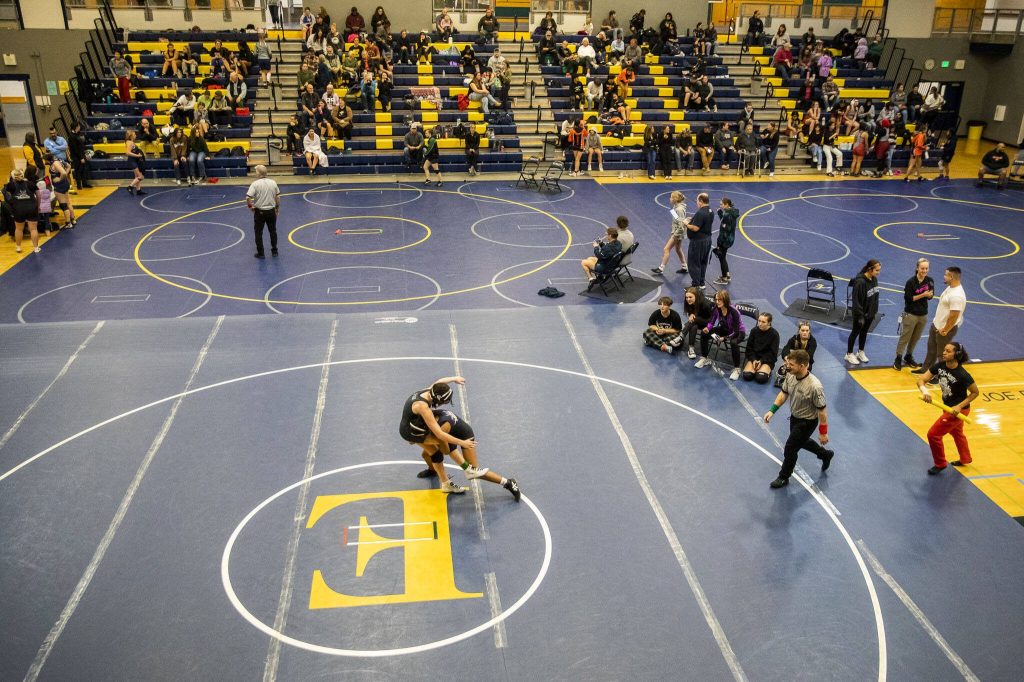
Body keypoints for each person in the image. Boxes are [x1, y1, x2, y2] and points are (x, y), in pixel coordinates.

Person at [401, 377, 520, 500]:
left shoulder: (438, 421)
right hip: (445, 433)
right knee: (431, 453)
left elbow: (447, 449)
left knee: (473, 471)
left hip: (464, 435)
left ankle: (508, 482)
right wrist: (453, 379)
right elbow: (438, 383)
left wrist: (463, 448)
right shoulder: (425, 404)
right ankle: (440, 477)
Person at [763, 349, 833, 488]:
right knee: (802, 442)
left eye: (791, 364)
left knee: (790, 449)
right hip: (795, 417)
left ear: (802, 366)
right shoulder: (790, 375)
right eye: (788, 363)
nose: (787, 366)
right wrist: (772, 410)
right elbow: (784, 394)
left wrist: (823, 432)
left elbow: (822, 411)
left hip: (807, 422)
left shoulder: (815, 386)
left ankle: (784, 476)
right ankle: (825, 454)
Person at [918, 343, 978, 475]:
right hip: (947, 408)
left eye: (948, 351)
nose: (944, 353)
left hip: (958, 411)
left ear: (956, 355)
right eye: (944, 350)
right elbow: (921, 380)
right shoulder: (939, 366)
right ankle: (965, 458)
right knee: (956, 433)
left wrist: (959, 406)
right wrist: (925, 391)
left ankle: (940, 464)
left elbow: (975, 392)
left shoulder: (963, 374)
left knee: (933, 435)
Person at [914, 266, 966, 374]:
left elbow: (954, 315)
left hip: (944, 329)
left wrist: (945, 329)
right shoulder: (951, 287)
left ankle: (939, 375)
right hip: (937, 325)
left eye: (946, 275)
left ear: (951, 277)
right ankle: (926, 369)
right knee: (931, 349)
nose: (944, 276)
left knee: (942, 354)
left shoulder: (957, 295)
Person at [695, 289, 746, 380]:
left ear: (725, 300)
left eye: (720, 300)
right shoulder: (716, 308)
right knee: (704, 333)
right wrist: (708, 328)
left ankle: (737, 369)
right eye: (716, 300)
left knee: (734, 342)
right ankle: (704, 358)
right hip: (724, 329)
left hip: (738, 332)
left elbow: (736, 332)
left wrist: (724, 338)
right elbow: (712, 321)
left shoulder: (734, 312)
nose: (717, 302)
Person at [894, 258, 934, 370]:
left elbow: (931, 295)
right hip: (911, 314)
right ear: (917, 268)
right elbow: (909, 299)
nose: (924, 270)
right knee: (905, 337)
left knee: (916, 337)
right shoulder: (910, 282)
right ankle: (898, 357)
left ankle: (908, 356)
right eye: (922, 268)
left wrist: (929, 295)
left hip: (923, 315)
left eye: (926, 268)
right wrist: (923, 295)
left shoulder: (930, 281)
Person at [845, 259, 881, 365]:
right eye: (877, 270)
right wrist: (860, 316)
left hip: (870, 313)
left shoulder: (874, 279)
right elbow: (856, 301)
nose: (878, 272)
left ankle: (860, 351)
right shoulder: (860, 282)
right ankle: (849, 354)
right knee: (855, 332)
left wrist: (874, 311)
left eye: (879, 270)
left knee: (864, 333)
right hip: (860, 314)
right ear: (870, 269)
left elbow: (875, 296)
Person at [246, 165, 281, 260]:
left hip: (260, 212)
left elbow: (248, 197)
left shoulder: (255, 184)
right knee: (273, 231)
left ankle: (261, 253)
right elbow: (277, 197)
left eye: (256, 171)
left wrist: (250, 207)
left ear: (258, 173)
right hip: (271, 211)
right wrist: (277, 208)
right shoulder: (273, 182)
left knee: (258, 232)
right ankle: (274, 251)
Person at [3, 168, 40, 254]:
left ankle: (18, 247)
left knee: (19, 229)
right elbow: (39, 195)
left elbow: (7, 196)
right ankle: (36, 248)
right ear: (23, 175)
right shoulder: (31, 183)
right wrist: (38, 206)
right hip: (31, 207)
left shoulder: (10, 185)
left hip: (18, 209)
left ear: (12, 176)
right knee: (33, 229)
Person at [651, 190, 687, 275]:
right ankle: (685, 267)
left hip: (678, 233)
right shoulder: (676, 207)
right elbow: (677, 221)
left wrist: (675, 235)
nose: (669, 199)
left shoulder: (679, 209)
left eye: (671, 197)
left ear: (675, 199)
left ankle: (661, 268)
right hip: (677, 232)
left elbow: (681, 225)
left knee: (666, 249)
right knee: (678, 249)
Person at [686, 192, 715, 289]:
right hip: (707, 240)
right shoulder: (710, 211)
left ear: (701, 201)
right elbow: (703, 223)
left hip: (698, 242)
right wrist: (693, 219)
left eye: (697, 201)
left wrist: (686, 223)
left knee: (694, 263)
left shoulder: (700, 212)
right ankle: (702, 283)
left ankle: (695, 284)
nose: (697, 203)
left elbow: (695, 228)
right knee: (703, 262)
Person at [742, 313, 780, 384]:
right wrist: (753, 360)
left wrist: (762, 361)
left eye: (763, 322)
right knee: (747, 376)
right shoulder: (754, 331)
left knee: (761, 378)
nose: (760, 324)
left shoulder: (774, 334)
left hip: (767, 359)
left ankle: (765, 370)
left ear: (769, 323)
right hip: (755, 357)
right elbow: (749, 348)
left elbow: (773, 353)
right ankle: (756, 369)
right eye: (759, 321)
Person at [680, 286, 713, 359]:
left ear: (696, 296)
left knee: (693, 321)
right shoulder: (689, 302)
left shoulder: (706, 304)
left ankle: (681, 336)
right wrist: (691, 314)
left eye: (690, 297)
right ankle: (691, 349)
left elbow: (711, 320)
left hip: (707, 322)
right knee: (693, 326)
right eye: (687, 297)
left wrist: (695, 317)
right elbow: (691, 313)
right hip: (696, 322)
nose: (688, 299)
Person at [47, 153, 76, 228]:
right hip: (65, 183)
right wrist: (65, 175)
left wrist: (60, 179)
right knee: (68, 202)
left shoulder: (55, 164)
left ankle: (68, 222)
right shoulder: (59, 160)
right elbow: (69, 166)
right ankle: (73, 219)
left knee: (63, 205)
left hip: (59, 185)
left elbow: (62, 173)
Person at [713, 197, 738, 285]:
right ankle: (727, 275)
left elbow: (726, 229)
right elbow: (725, 223)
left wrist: (720, 242)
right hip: (729, 239)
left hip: (725, 240)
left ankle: (724, 278)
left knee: (722, 258)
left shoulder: (728, 214)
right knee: (723, 257)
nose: (720, 206)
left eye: (721, 204)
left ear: (726, 204)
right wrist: (720, 214)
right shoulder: (731, 212)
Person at [124, 130, 146, 196]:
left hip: (134, 160)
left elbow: (133, 151)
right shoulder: (130, 142)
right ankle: (130, 187)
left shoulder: (131, 142)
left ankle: (138, 190)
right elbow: (127, 153)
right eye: (134, 134)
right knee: (141, 177)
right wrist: (138, 155)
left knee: (136, 176)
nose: (136, 135)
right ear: (131, 136)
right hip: (132, 161)